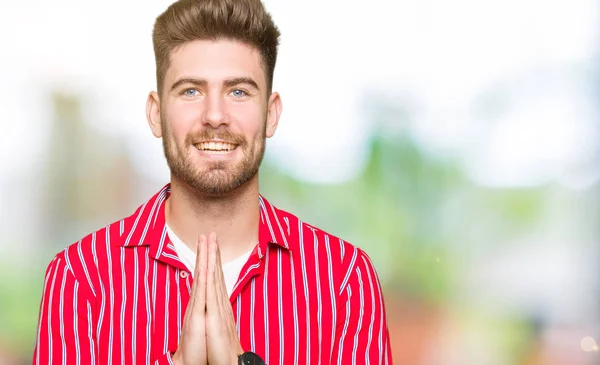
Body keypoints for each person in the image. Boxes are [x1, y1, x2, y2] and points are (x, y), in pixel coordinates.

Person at [32, 0, 392, 364]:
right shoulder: (80, 279)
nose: (215, 116)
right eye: (191, 91)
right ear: (156, 115)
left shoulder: (344, 281)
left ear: (271, 114)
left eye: (238, 92)